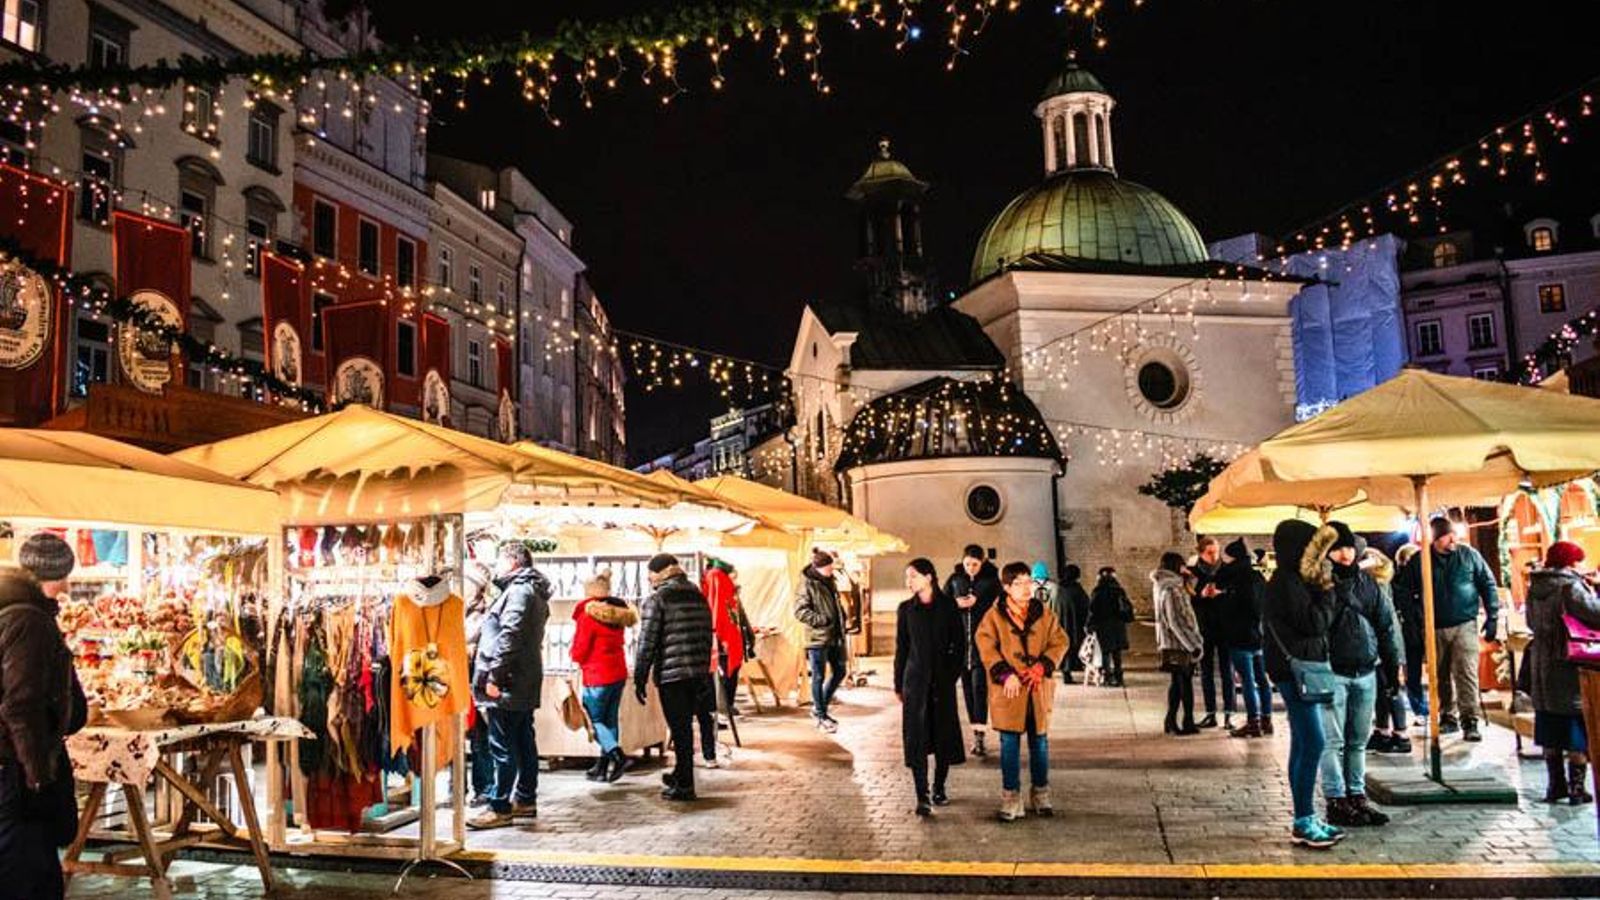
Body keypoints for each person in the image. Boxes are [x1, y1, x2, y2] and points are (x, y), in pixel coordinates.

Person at [1, 533, 87, 900]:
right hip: (17, 775)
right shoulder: (30, 621)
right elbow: (21, 706)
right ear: (58, 574)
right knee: (27, 876)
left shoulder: (16, 612)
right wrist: (38, 777)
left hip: (12, 770)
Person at [1263, 520, 1343, 849]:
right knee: (1313, 741)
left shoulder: (1290, 580)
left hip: (1295, 668)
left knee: (1303, 742)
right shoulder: (1287, 582)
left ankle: (1304, 817)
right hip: (1296, 671)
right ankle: (1304, 819)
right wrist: (1325, 591)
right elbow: (1314, 623)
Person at [1316, 524, 1401, 828]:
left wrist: (1392, 668)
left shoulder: (1369, 584)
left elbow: (1386, 626)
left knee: (1358, 740)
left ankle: (1357, 795)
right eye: (1338, 547)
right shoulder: (1319, 584)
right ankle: (1336, 799)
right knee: (1333, 741)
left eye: (1349, 547)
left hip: (1366, 670)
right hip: (1332, 672)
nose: (1345, 553)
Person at [468, 542, 552, 829]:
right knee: (523, 740)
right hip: (524, 678)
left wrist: (495, 676)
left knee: (502, 743)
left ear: (514, 562)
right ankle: (525, 799)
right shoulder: (533, 592)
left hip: (509, 681)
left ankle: (499, 806)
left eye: (500, 561)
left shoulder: (518, 591)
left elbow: (510, 634)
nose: (497, 566)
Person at [977, 562, 1069, 821]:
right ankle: (1011, 797)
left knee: (1039, 743)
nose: (1027, 588)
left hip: (1037, 688)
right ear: (1007, 588)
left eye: (1028, 582)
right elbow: (985, 644)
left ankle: (1040, 793)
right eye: (1019, 583)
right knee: (1009, 743)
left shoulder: (1044, 614)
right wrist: (1005, 673)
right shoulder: (994, 616)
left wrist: (1043, 666)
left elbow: (1060, 640)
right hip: (1009, 691)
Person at [1396, 517, 1498, 741]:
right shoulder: (1420, 561)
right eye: (1447, 535)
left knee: (1466, 673)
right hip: (1434, 626)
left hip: (1464, 624)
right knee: (1439, 675)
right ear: (1436, 538)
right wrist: (1413, 620)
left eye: (1454, 534)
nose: (1454, 539)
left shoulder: (1469, 555)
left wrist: (1493, 616)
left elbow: (1487, 584)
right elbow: (1403, 590)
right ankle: (1447, 717)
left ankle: (1470, 720)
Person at [1525, 541, 1600, 805]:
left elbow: (1530, 623)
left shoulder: (1535, 588)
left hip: (1541, 665)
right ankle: (1577, 790)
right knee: (1574, 730)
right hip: (1567, 665)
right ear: (1570, 562)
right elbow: (1595, 614)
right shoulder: (1570, 587)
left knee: (1549, 727)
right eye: (1578, 561)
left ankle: (1555, 786)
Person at [635, 553, 713, 802]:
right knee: (685, 727)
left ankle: (686, 785)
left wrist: (640, 676)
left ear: (657, 574)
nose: (649, 581)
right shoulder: (697, 595)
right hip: (697, 672)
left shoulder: (658, 599)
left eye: (650, 576)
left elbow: (647, 642)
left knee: (680, 730)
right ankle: (680, 773)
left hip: (672, 674)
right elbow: (706, 636)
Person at [894, 558, 966, 817]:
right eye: (907, 577)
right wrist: (898, 683)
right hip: (914, 682)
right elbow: (902, 648)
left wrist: (951, 675)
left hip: (942, 683)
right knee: (917, 738)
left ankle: (939, 787)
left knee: (942, 736)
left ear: (929, 577)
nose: (908, 581)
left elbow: (960, 645)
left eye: (913, 576)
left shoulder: (948, 607)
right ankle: (921, 795)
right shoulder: (905, 610)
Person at [570, 571, 636, 784]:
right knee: (610, 719)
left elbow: (580, 649)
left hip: (597, 675)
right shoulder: (616, 613)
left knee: (594, 719)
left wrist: (574, 657)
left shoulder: (587, 614)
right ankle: (602, 766)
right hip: (617, 673)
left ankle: (618, 756)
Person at [945, 544, 1001, 757]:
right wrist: (955, 604)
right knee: (967, 690)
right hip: (960, 646)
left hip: (982, 646)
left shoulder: (991, 582)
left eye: (975, 564)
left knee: (980, 689)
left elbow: (999, 607)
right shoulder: (955, 579)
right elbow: (942, 604)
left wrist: (979, 602)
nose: (971, 568)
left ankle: (980, 736)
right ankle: (975, 733)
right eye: (968, 563)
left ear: (983, 562)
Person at [1217, 539, 1274, 738]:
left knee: (1248, 680)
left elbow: (1233, 607)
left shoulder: (1234, 578)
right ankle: (1267, 720)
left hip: (1240, 635)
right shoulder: (1258, 577)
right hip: (1259, 635)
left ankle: (1253, 722)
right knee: (1262, 679)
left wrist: (1222, 598)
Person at [1364, 545, 1412, 755]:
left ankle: (1401, 734)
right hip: (1384, 643)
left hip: (1386, 644)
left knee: (1391, 689)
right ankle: (1383, 731)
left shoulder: (1376, 584)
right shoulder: (1381, 582)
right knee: (1382, 690)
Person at [795, 549, 848, 733]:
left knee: (840, 671)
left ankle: (819, 709)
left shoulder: (829, 580)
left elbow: (834, 604)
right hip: (817, 638)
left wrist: (842, 618)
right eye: (828, 567)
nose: (831, 570)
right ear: (819, 568)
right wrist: (822, 620)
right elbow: (800, 611)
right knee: (818, 676)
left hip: (834, 635)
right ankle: (820, 714)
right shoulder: (807, 584)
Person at [1153, 552, 1204, 736]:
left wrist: (1189, 576)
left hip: (1175, 642)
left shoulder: (1169, 585)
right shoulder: (1171, 589)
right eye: (1183, 565)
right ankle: (1185, 721)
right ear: (1176, 566)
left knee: (1178, 683)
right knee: (1184, 683)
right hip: (1179, 644)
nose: (1186, 568)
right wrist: (1192, 645)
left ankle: (1172, 720)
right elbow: (1174, 621)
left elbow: (1195, 585)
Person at [1189, 536, 1234, 729]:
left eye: (1216, 551)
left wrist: (1221, 594)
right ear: (1200, 553)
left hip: (1225, 627)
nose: (1214, 556)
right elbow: (1188, 600)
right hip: (1204, 628)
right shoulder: (1193, 574)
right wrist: (1201, 596)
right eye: (1210, 553)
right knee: (1206, 672)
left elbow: (1236, 595)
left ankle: (1229, 714)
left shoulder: (1227, 571)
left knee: (1227, 672)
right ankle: (1210, 713)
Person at [700, 558, 747, 717]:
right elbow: (720, 615)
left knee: (728, 674)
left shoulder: (720, 583)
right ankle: (722, 706)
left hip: (725, 638)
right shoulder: (716, 580)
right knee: (724, 674)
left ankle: (725, 706)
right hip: (720, 639)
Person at [1392, 544, 1427, 725]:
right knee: (1412, 672)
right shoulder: (1398, 582)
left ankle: (1421, 707)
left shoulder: (1423, 581)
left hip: (1415, 628)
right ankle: (1419, 707)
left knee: (1412, 672)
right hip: (1408, 630)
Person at [1087, 567, 1132, 687]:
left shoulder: (1097, 591)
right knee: (1117, 653)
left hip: (1103, 626)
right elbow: (1126, 607)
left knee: (1105, 653)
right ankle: (1119, 676)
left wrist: (1089, 625)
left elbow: (1092, 610)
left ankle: (1107, 677)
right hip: (1117, 625)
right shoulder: (1119, 590)